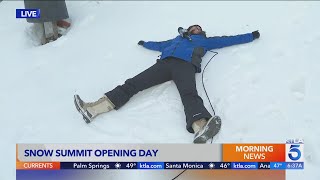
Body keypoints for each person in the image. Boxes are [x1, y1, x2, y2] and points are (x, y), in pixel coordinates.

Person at [74, 25, 260, 143]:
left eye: (198, 28)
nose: (196, 29)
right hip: (164, 64)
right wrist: (145, 43)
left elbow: (229, 40)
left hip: (185, 66)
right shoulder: (175, 40)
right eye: (193, 27)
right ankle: (94, 109)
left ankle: (200, 127)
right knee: (133, 83)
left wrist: (250, 36)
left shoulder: (205, 41)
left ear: (201, 32)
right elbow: (158, 44)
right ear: (188, 29)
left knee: (188, 93)